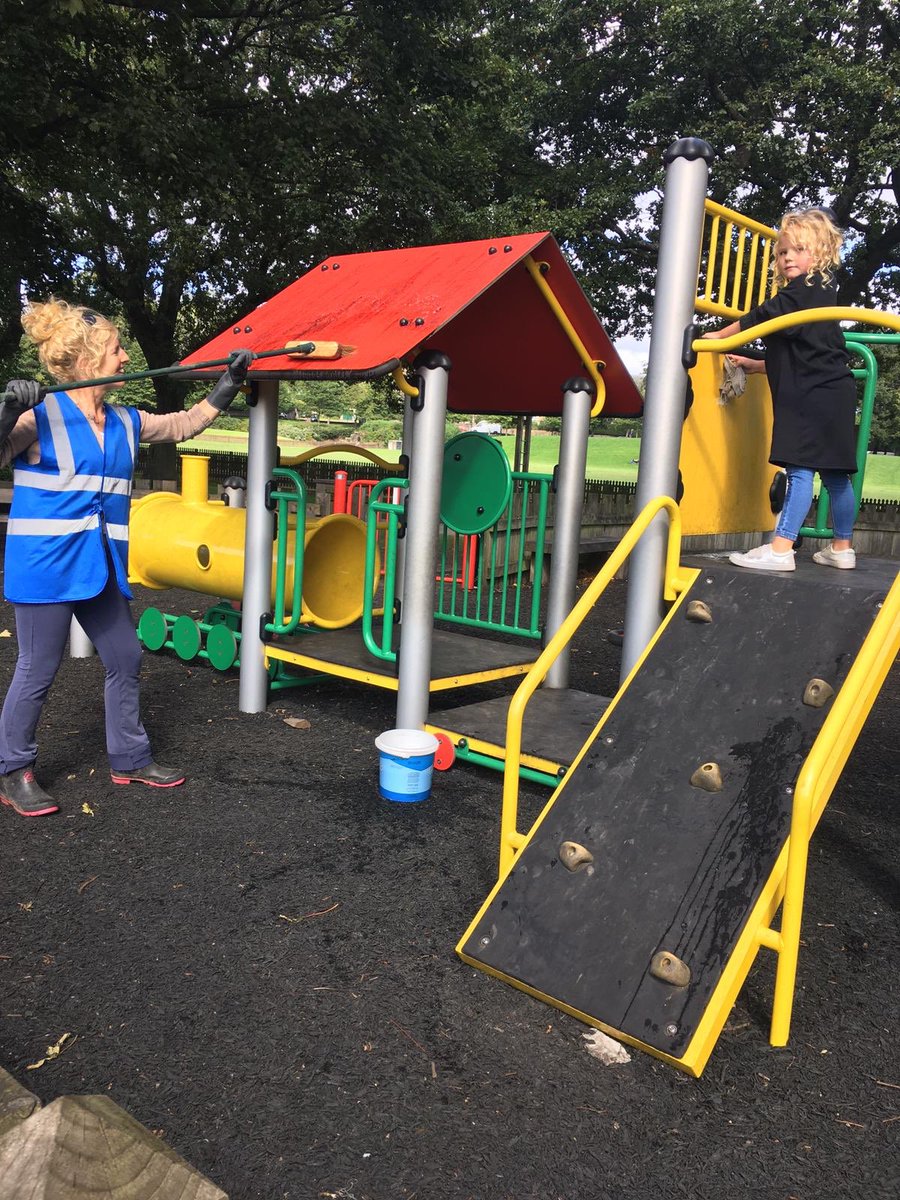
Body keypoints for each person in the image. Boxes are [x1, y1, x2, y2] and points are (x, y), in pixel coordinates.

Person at [0, 298, 252, 818]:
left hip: (99, 566)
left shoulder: (125, 420)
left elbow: (182, 425)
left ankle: (131, 758)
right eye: (117, 349)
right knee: (37, 668)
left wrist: (225, 388)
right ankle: (12, 769)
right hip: (46, 568)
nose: (125, 357)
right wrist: (6, 413)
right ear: (89, 360)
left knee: (125, 657)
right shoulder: (36, 417)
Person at [703, 208, 858, 573]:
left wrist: (720, 336)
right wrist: (755, 365)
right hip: (835, 390)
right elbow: (804, 354)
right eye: (783, 251)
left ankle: (780, 548)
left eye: (798, 250)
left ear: (820, 253)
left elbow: (761, 316)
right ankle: (842, 548)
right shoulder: (823, 292)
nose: (788, 257)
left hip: (810, 395)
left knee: (800, 469)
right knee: (836, 476)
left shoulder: (803, 290)